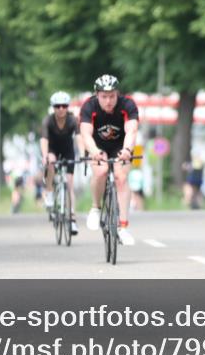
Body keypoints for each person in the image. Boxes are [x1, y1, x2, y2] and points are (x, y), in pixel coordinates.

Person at [79, 75, 139, 245]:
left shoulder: (127, 104)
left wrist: (128, 150)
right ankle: (96, 207)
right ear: (96, 95)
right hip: (97, 146)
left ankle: (124, 227)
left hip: (121, 146)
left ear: (117, 94)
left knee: (121, 177)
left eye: (112, 96)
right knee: (101, 170)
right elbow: (85, 134)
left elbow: (132, 130)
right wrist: (94, 151)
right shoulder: (89, 106)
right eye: (104, 96)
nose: (108, 101)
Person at [40, 91, 81, 235]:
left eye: (64, 106)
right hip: (52, 149)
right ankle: (50, 192)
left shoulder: (73, 120)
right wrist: (45, 155)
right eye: (58, 106)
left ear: (67, 107)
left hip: (68, 150)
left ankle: (72, 219)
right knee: (51, 162)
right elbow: (44, 140)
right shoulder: (48, 121)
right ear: (53, 107)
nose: (61, 109)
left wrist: (82, 153)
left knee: (69, 184)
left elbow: (79, 137)